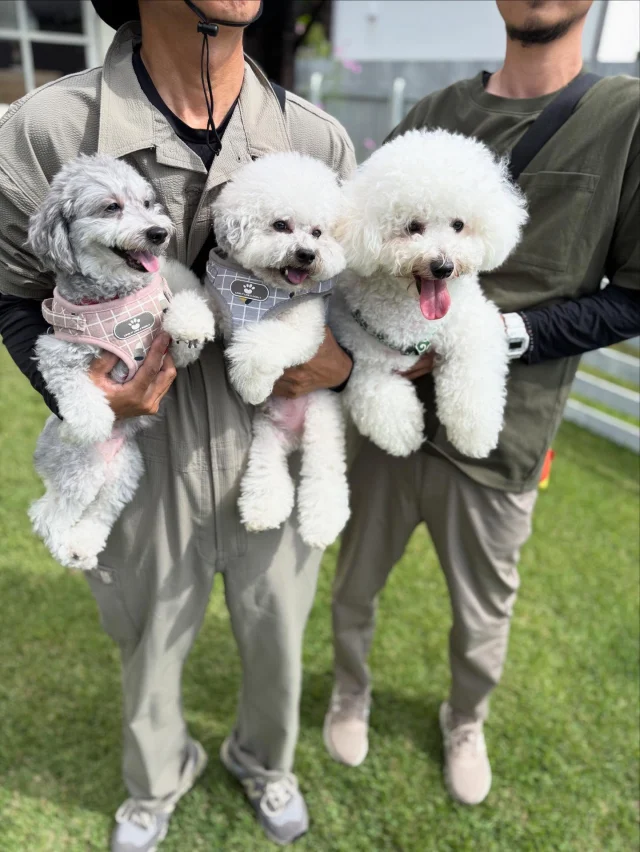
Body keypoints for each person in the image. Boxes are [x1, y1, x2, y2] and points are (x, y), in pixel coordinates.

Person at [0, 1, 355, 849]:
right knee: (148, 632)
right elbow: (11, 290)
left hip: (276, 426)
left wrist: (345, 357)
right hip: (139, 438)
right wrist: (81, 393)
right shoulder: (44, 127)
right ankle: (154, 782)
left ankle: (267, 763)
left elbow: (358, 282)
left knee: (278, 632)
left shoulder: (318, 136)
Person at [324, 0, 640, 808]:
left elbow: (635, 295)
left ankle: (466, 721)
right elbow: (359, 238)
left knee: (482, 617)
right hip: (383, 410)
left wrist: (496, 331)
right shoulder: (436, 112)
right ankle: (348, 692)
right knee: (354, 585)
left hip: (505, 433)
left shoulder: (625, 117)